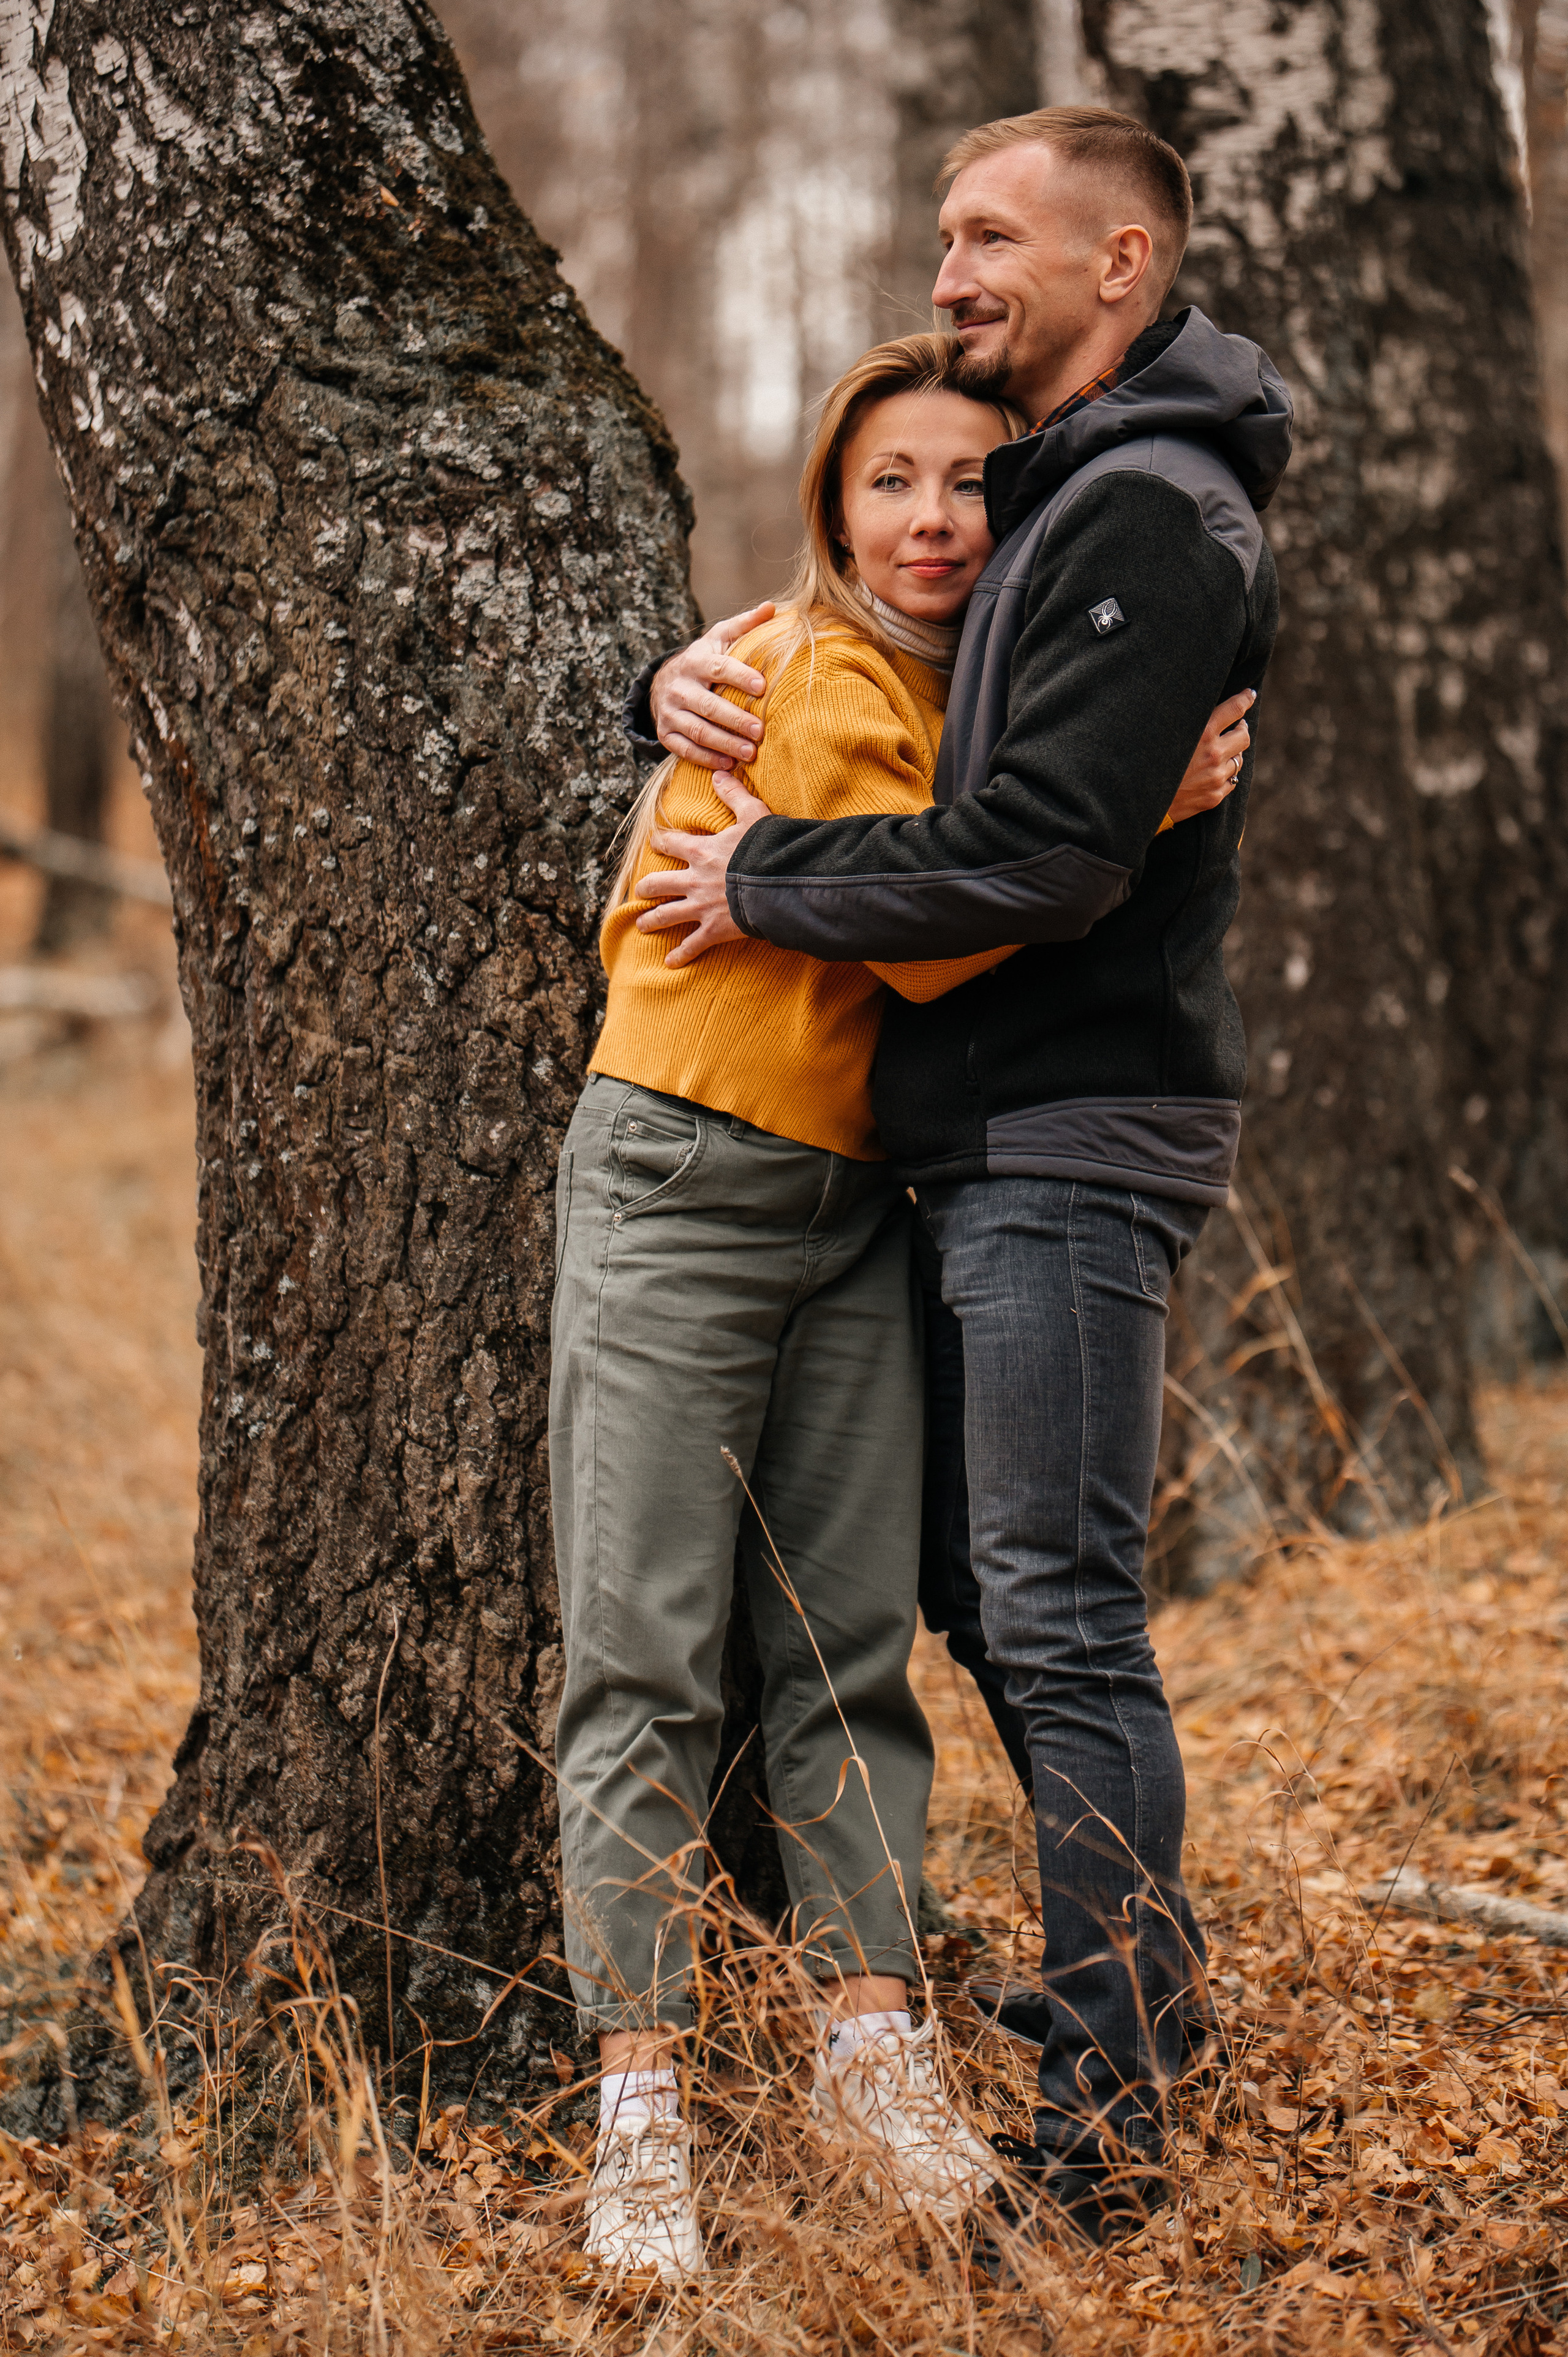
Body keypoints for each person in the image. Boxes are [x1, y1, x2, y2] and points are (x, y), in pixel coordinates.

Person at [628, 104, 1291, 2246]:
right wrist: (680, 679)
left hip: (1069, 1140)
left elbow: (1027, 850)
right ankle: (1139, 1987)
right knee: (991, 1596)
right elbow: (895, 676)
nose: (949, 270)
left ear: (1122, 265)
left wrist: (767, 877)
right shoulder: (1059, 504)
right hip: (989, 1136)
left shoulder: (1148, 516)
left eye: (992, 238)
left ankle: (1109, 2111)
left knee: (1065, 1620)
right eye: (941, 235)